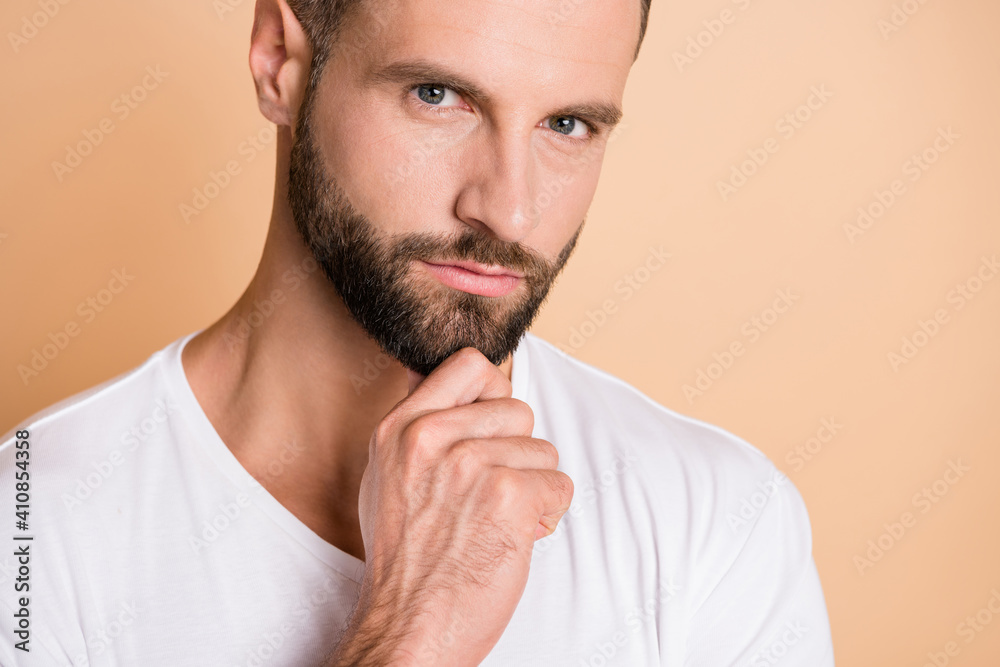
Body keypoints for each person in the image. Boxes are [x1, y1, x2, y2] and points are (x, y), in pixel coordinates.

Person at [0, 0, 835, 664]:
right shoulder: (32, 528)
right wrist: (411, 634)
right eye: (439, 96)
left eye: (568, 124)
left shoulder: (716, 521)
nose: (509, 211)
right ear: (280, 64)